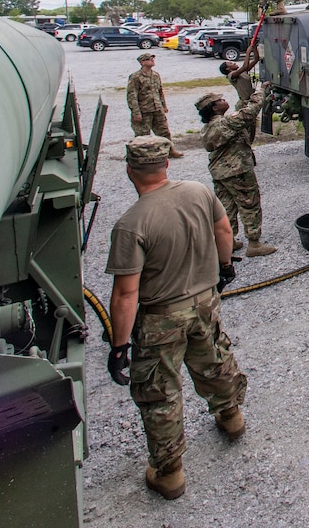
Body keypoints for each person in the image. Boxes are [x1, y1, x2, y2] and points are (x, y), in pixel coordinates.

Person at [105, 136, 247, 501]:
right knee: (215, 361)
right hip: (205, 303)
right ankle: (231, 417)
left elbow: (125, 294)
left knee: (160, 393)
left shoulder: (131, 224)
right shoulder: (199, 192)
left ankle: (169, 474)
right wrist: (225, 266)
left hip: (160, 318)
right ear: (166, 164)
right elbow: (224, 231)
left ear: (129, 171)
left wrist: (119, 346)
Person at [196, 84, 277, 257]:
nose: (224, 101)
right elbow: (250, 112)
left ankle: (228, 242)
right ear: (214, 107)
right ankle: (254, 244)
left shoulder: (209, 127)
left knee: (227, 208)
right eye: (220, 100)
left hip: (220, 173)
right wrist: (261, 91)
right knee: (250, 204)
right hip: (237, 171)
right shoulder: (225, 123)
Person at [126, 52, 183, 158]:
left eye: (152, 58)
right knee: (142, 135)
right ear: (142, 62)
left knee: (164, 131)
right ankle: (141, 155)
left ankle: (169, 150)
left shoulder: (155, 75)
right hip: (144, 110)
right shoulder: (135, 77)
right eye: (149, 59)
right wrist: (136, 112)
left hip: (157, 109)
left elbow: (160, 91)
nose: (152, 60)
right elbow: (132, 95)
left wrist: (164, 105)